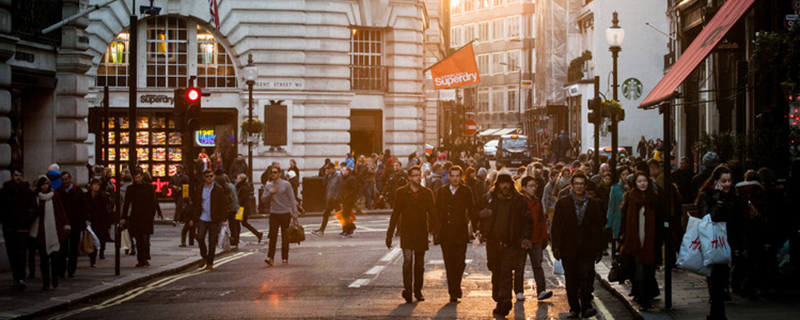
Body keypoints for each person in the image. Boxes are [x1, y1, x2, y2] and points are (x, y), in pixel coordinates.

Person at [551, 171, 606, 319]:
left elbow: (598, 227)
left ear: (586, 186)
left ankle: (586, 306)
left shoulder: (593, 204)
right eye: (576, 184)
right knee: (571, 280)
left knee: (587, 277)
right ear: (571, 185)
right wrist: (556, 246)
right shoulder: (563, 203)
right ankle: (574, 308)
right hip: (569, 248)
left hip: (587, 248)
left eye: (582, 184)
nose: (579, 187)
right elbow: (556, 226)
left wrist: (599, 248)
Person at [477, 170, 532, 317]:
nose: (505, 186)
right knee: (496, 271)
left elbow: (527, 221)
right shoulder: (489, 198)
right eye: (502, 183)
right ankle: (499, 298)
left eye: (507, 183)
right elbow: (478, 213)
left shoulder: (519, 200)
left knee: (506, 272)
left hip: (511, 243)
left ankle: (505, 300)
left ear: (511, 184)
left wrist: (526, 238)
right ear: (497, 184)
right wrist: (481, 218)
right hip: (493, 243)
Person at [386, 165, 438, 303]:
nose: (417, 177)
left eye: (419, 175)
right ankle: (408, 290)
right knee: (408, 261)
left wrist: (436, 232)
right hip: (407, 231)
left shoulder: (427, 193)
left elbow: (433, 213)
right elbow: (395, 213)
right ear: (409, 177)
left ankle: (418, 291)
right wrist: (389, 234)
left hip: (421, 231)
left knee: (419, 264)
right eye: (414, 175)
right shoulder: (401, 192)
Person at [697, 165, 742, 320]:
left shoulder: (734, 196)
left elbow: (737, 222)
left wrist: (737, 245)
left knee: (723, 280)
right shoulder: (708, 195)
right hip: (713, 242)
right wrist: (718, 201)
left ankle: (717, 314)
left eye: (729, 181)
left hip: (728, 242)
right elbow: (707, 219)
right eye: (724, 181)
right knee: (717, 280)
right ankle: (717, 315)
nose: (727, 184)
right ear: (716, 181)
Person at [619, 171, 663, 311]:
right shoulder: (631, 198)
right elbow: (625, 220)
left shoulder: (654, 198)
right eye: (639, 181)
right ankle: (643, 299)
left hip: (651, 241)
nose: (642, 183)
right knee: (639, 270)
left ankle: (644, 295)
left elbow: (660, 220)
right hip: (635, 240)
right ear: (635, 184)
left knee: (649, 270)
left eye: (645, 181)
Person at [434, 165, 476, 302]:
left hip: (460, 232)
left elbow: (471, 209)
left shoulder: (466, 191)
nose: (455, 178)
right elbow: (437, 211)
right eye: (453, 176)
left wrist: (476, 228)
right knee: (449, 263)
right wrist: (435, 230)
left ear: (461, 177)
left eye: (458, 176)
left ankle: (456, 286)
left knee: (460, 262)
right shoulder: (442, 191)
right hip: (446, 232)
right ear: (449, 177)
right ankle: (453, 291)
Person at [517, 176, 553, 301]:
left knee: (537, 265)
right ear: (524, 188)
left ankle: (541, 290)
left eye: (534, 186)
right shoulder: (519, 201)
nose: (533, 188)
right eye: (530, 186)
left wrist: (544, 237)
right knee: (519, 266)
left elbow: (541, 221)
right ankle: (519, 291)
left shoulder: (537, 202)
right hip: (522, 240)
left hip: (536, 239)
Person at [31, 176, 70, 290]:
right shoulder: (36, 197)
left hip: (54, 230)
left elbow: (61, 210)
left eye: (47, 184)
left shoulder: (55, 196)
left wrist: (65, 224)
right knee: (43, 259)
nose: (45, 186)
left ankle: (54, 279)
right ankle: (46, 283)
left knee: (55, 258)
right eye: (42, 184)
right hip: (41, 231)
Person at [0, 168, 36, 290]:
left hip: (23, 228)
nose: (18, 178)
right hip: (9, 228)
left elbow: (33, 209)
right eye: (16, 175)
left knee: (21, 254)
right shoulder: (5, 191)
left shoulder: (27, 191)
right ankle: (16, 277)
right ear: (12, 176)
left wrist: (26, 221)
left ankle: (21, 278)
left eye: (20, 175)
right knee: (12, 255)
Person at [190, 169, 228, 271]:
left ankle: (210, 263)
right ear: (204, 178)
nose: (209, 178)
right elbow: (196, 205)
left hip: (214, 219)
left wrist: (224, 219)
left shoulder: (219, 189)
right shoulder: (199, 189)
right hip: (202, 217)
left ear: (214, 177)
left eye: (211, 176)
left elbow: (223, 205)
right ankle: (204, 256)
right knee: (200, 238)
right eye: (207, 176)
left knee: (212, 242)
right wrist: (192, 218)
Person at [121, 168, 159, 267]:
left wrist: (152, 214)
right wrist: (123, 217)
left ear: (142, 176)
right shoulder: (131, 189)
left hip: (146, 217)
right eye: (135, 178)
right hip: (136, 217)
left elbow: (153, 202)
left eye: (138, 177)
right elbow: (126, 204)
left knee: (145, 239)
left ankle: (145, 257)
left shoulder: (149, 187)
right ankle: (140, 259)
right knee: (138, 239)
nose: (137, 179)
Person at [262, 167, 300, 266]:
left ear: (280, 174)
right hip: (274, 214)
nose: (273, 174)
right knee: (273, 236)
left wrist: (295, 213)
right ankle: (270, 258)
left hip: (285, 214)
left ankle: (285, 258)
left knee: (285, 237)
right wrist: (271, 192)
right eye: (271, 173)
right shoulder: (268, 186)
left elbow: (292, 199)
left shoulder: (286, 185)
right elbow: (263, 199)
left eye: (275, 172)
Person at [56, 171, 87, 278]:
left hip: (75, 223)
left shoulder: (77, 191)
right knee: (63, 248)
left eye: (66, 179)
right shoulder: (59, 192)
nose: (64, 182)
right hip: (63, 224)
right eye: (63, 180)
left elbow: (83, 208)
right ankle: (61, 270)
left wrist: (83, 222)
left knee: (74, 248)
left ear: (70, 179)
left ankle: (71, 270)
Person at [85, 178, 112, 267]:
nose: (96, 187)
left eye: (98, 185)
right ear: (91, 186)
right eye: (94, 185)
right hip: (91, 220)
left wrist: (108, 225)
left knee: (101, 238)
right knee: (92, 240)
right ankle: (92, 258)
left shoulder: (103, 196)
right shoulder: (86, 196)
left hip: (101, 220)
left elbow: (106, 211)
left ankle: (101, 252)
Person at [312, 163, 342, 236]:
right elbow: (324, 183)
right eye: (326, 169)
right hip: (330, 198)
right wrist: (326, 175)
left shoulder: (338, 176)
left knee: (338, 215)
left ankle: (347, 229)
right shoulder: (330, 175)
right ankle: (321, 230)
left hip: (335, 199)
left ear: (332, 168)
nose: (327, 170)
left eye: (328, 169)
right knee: (328, 214)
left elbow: (340, 188)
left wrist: (336, 197)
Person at [235, 173, 264, 243]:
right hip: (242, 208)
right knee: (243, 223)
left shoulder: (243, 187)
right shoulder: (242, 186)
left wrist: (239, 207)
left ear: (241, 179)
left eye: (238, 178)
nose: (237, 179)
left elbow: (242, 199)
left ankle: (236, 238)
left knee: (237, 223)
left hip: (241, 209)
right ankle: (258, 234)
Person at [218, 173, 240, 250]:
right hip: (235, 207)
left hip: (230, 208)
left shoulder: (225, 187)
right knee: (233, 225)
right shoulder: (232, 185)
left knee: (222, 224)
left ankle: (222, 240)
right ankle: (235, 239)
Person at [340, 165, 359, 237]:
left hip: (349, 199)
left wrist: (347, 195)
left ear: (348, 171)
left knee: (346, 215)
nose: (343, 172)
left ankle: (348, 230)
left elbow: (354, 189)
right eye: (342, 170)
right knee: (344, 215)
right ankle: (349, 228)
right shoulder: (343, 179)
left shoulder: (351, 179)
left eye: (345, 170)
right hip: (344, 199)